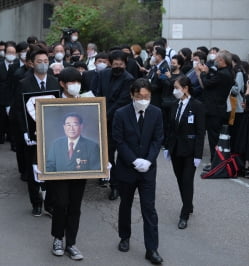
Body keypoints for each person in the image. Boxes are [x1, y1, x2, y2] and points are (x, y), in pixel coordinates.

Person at [43, 68, 98, 261]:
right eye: (71, 82)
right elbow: (43, 132)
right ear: (62, 84)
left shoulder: (88, 102)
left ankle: (71, 243)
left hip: (80, 167)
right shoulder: (50, 102)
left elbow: (100, 131)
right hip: (58, 167)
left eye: (78, 82)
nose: (76, 85)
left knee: (75, 206)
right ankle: (58, 238)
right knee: (60, 203)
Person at [112, 78, 164, 264]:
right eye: (139, 96)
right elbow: (118, 140)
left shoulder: (156, 113)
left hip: (148, 170)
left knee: (149, 208)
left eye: (147, 96)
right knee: (125, 204)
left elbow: (158, 139)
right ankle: (124, 237)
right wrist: (133, 160)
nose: (143, 99)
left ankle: (152, 249)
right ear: (132, 95)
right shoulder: (121, 113)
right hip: (127, 167)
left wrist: (148, 161)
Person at [15, 48, 59, 217]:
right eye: (39, 62)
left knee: (51, 169)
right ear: (32, 64)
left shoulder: (55, 82)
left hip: (52, 133)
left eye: (46, 61)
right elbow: (19, 111)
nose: (43, 65)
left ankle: (50, 203)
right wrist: (25, 132)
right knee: (34, 169)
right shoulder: (23, 83)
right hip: (32, 135)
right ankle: (36, 202)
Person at [165, 76, 205, 229]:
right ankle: (188, 204)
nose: (175, 91)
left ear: (186, 88)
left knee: (187, 180)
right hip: (176, 149)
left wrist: (198, 155)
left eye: (177, 87)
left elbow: (201, 132)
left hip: (190, 150)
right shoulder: (175, 105)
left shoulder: (197, 106)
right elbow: (171, 129)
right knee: (180, 180)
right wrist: (168, 147)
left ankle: (184, 214)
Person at [96, 50, 134, 200]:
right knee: (108, 153)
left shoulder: (128, 78)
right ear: (111, 63)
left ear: (125, 64)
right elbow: (97, 92)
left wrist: (105, 114)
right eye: (115, 64)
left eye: (121, 64)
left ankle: (121, 184)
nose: (118, 67)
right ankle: (113, 183)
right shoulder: (104, 74)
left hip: (120, 121)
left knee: (122, 154)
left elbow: (122, 101)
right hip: (103, 119)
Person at [197, 50, 234, 170]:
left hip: (215, 110)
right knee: (215, 138)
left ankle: (215, 163)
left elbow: (207, 83)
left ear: (222, 61)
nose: (215, 61)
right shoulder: (227, 72)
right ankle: (216, 162)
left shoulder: (223, 74)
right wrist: (207, 72)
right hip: (218, 109)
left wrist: (202, 73)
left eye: (217, 59)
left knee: (214, 139)